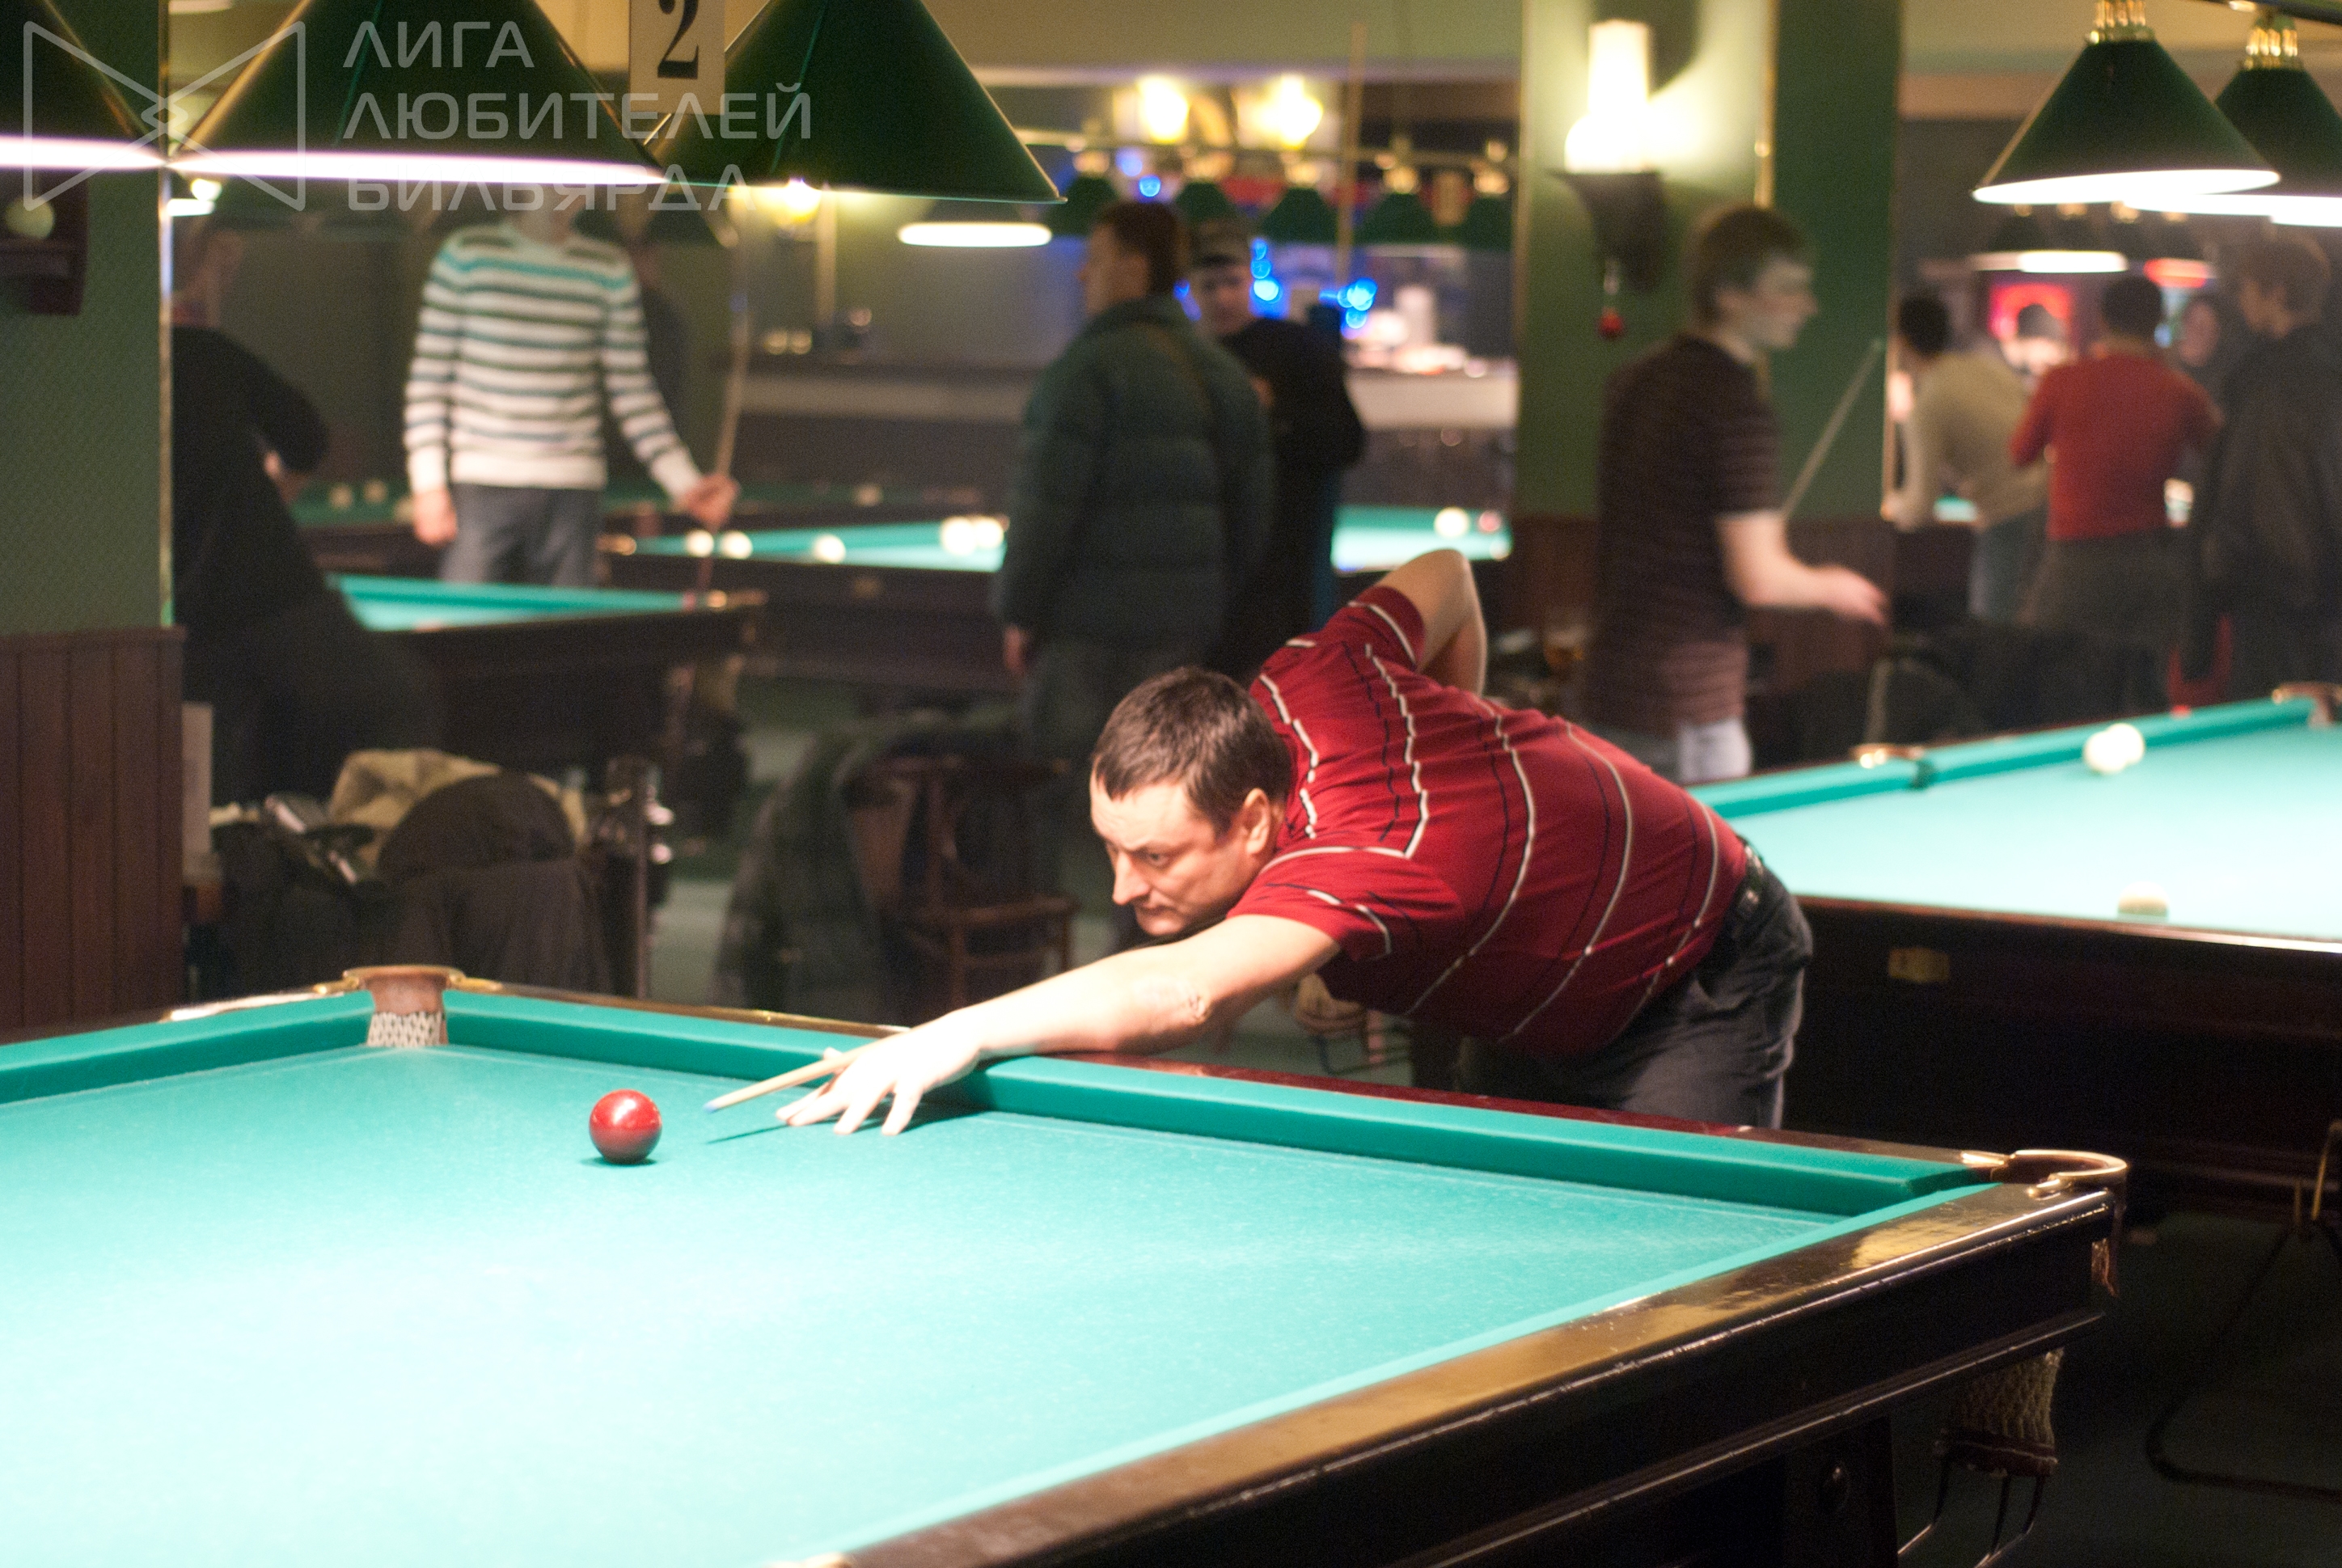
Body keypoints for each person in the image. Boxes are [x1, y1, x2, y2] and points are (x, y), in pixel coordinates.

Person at [780, 548, 1807, 1138]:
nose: (1123, 888)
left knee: (1667, 1283)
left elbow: (1185, 994)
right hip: (1534, 974)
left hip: (1694, 970)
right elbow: (1449, 578)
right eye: (1111, 848)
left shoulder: (1368, 859)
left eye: (1156, 857)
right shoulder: (1310, 672)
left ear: (1256, 821)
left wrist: (954, 1031)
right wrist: (1467, 728)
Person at [992, 200, 1274, 901]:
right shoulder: (1218, 373)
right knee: (1162, 813)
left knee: (1058, 805)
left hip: (1084, 633)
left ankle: (1050, 944)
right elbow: (1253, 518)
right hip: (1181, 634)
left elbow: (1044, 509)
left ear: (1133, 265)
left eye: (1097, 255)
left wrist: (1018, 611)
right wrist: (1209, 601)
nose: (1083, 272)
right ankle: (1146, 942)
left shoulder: (1084, 371)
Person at [1582, 205, 1888, 785]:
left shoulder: (1635, 380)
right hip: (1686, 708)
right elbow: (1759, 579)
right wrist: (1832, 586)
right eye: (1788, 288)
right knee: (1705, 851)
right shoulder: (1734, 406)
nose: (1808, 305)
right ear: (1729, 295)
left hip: (1607, 690)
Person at [171, 221, 439, 803]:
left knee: (212, 793)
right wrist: (268, 499)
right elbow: (308, 441)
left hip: (192, 627)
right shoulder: (205, 351)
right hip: (280, 602)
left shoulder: (109, 374)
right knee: (396, 705)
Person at [404, 197, 737, 585]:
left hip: (573, 494)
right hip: (481, 487)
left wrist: (685, 483)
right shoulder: (465, 254)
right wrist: (428, 486)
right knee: (462, 622)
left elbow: (633, 393)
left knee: (571, 623)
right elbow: (429, 380)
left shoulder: (608, 266)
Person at [1188, 222, 1367, 678]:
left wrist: (1274, 412)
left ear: (1250, 279)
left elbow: (1347, 440)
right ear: (1191, 288)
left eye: (1232, 282)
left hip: (1281, 562)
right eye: (1209, 286)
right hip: (1203, 564)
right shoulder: (1182, 356)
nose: (1222, 297)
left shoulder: (1297, 348)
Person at [2010, 273, 2218, 653]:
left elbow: (2020, 454)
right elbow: (2221, 461)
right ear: (2158, 323)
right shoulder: (2181, 391)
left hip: (2073, 559)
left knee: (2054, 667)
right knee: (2142, 675)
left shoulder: (2061, 381)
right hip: (2148, 559)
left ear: (2103, 320)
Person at [2184, 235, 2342, 695]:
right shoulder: (2331, 372)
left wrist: (2213, 579)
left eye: (2247, 288)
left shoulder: (2264, 381)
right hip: (2326, 598)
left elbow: (2243, 493)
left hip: (2274, 596)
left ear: (2276, 294)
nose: (2240, 300)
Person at [1887, 294, 2048, 622]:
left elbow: (1919, 508)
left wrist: (1892, 505)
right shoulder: (1987, 367)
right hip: (2052, 506)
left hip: (2009, 517)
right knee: (2031, 622)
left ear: (1901, 344)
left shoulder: (1928, 406)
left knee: (1993, 627)